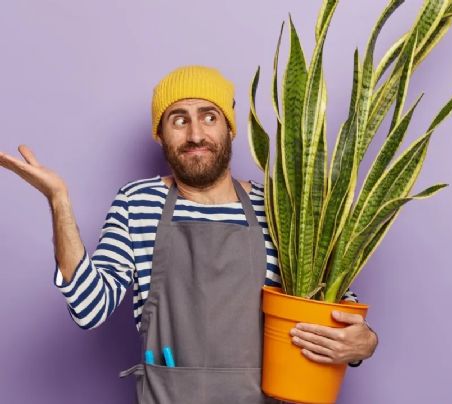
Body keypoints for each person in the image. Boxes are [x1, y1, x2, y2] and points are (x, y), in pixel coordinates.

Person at [0, 65, 378, 403]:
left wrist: (364, 342)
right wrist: (59, 201)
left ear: (229, 127)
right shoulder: (137, 202)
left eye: (209, 116)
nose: (196, 134)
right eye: (178, 120)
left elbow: (331, 304)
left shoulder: (279, 207)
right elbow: (88, 307)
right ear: (161, 136)